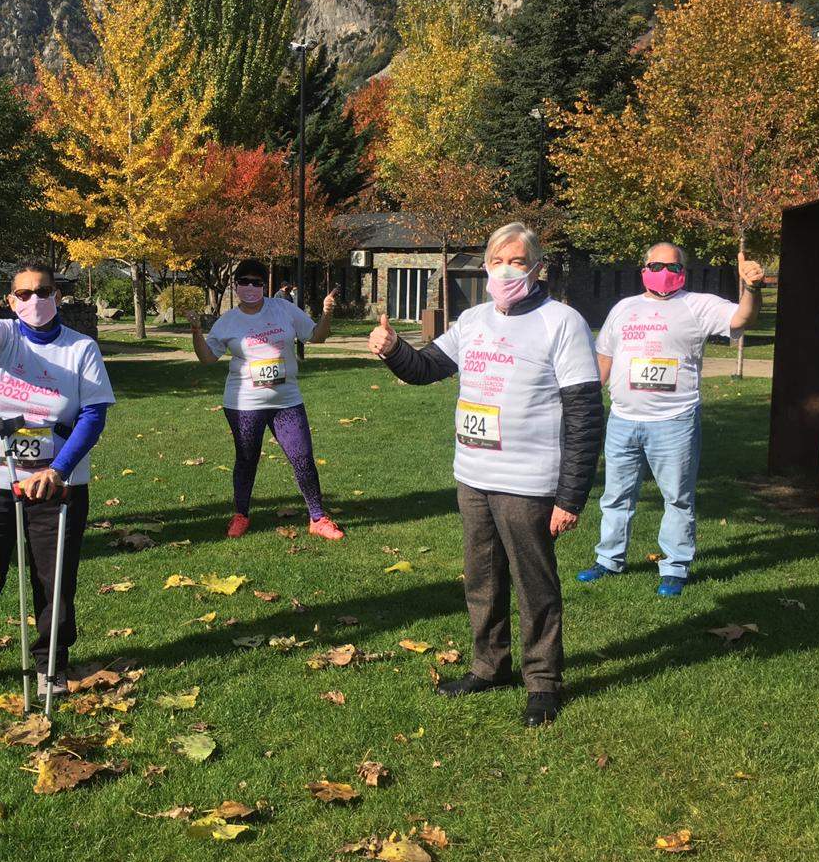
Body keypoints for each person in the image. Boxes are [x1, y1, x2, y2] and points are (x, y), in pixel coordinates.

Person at [368, 223, 603, 727]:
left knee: (534, 584)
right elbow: (426, 367)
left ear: (537, 268)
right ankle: (489, 666)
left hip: (529, 481)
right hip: (473, 474)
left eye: (517, 261)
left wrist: (571, 496)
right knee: (482, 579)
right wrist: (392, 349)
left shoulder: (562, 323)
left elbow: (585, 413)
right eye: (497, 260)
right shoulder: (473, 320)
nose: (505, 270)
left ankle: (542, 681)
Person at [0, 261, 115, 702]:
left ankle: (50, 664)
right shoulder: (2, 335)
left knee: (53, 578)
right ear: (11, 300)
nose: (34, 301)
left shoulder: (82, 349)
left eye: (44, 291)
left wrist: (58, 470)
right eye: (24, 294)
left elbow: (93, 416)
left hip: (57, 480)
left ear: (57, 295)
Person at [577, 243, 765, 597]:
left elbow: (743, 318)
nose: (663, 271)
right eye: (655, 264)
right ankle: (608, 559)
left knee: (677, 498)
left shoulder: (698, 305)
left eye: (672, 266)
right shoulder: (623, 309)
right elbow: (603, 359)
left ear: (683, 271)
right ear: (643, 268)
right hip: (622, 420)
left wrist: (752, 288)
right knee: (616, 496)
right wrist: (584, 402)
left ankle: (675, 567)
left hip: (674, 421)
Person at [188, 259, 345, 540]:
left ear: (265, 285)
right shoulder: (228, 321)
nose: (250, 287)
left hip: (287, 401)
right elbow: (207, 358)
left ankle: (318, 518)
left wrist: (326, 313)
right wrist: (197, 332)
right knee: (246, 460)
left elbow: (316, 337)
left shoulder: (283, 309)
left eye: (256, 282)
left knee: (302, 457)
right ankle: (241, 515)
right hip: (244, 404)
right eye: (244, 282)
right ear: (236, 286)